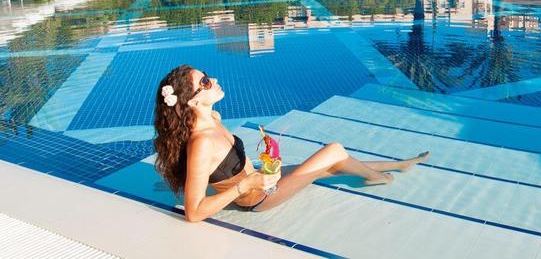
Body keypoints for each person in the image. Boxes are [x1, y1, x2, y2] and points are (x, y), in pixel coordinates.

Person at [153, 65, 429, 222]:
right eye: (204, 81)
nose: (213, 80)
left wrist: (261, 171)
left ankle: (400, 164)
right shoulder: (201, 142)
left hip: (262, 180)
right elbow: (193, 212)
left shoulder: (213, 117)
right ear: (193, 100)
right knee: (333, 150)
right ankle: (381, 178)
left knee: (331, 164)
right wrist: (244, 185)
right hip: (257, 197)